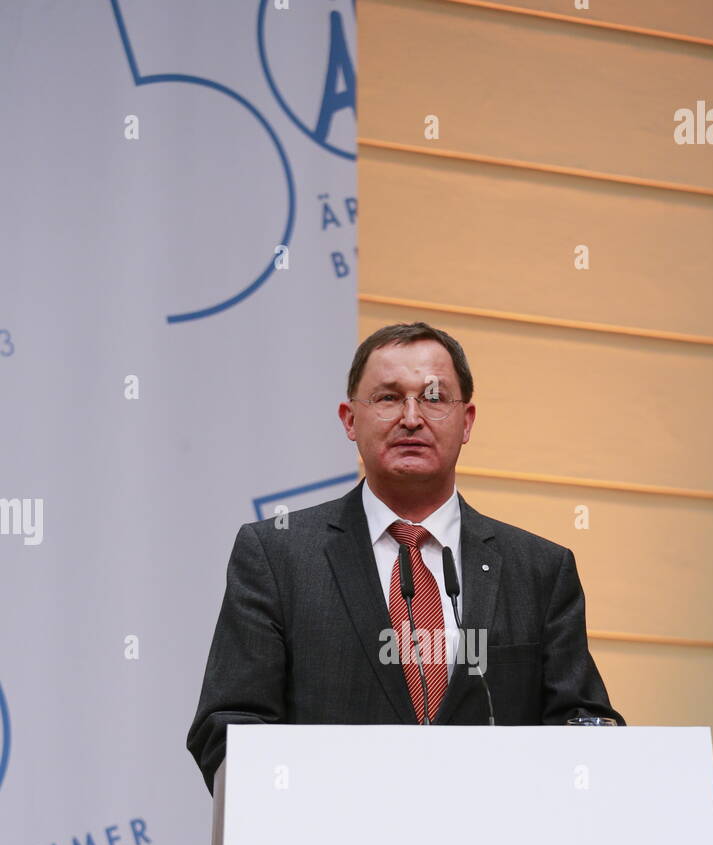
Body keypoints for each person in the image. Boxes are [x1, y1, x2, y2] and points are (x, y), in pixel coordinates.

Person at [187, 322, 624, 794]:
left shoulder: (539, 569)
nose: (412, 417)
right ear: (350, 420)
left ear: (468, 421)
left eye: (434, 397)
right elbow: (229, 727)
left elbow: (584, 724)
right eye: (388, 398)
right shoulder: (278, 555)